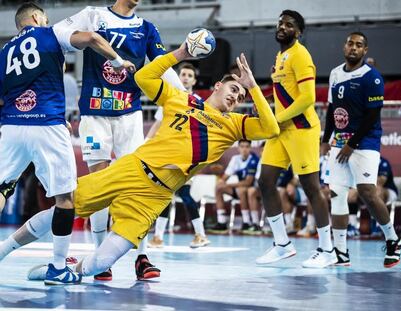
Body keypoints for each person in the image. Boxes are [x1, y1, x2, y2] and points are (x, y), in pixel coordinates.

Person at [62, 41, 278, 278]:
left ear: (195, 80)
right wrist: (180, 53)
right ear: (217, 86)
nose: (236, 96)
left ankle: (142, 254)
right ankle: (58, 259)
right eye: (234, 89)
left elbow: (271, 128)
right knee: (75, 203)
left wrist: (253, 86)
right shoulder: (180, 99)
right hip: (138, 162)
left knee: (180, 197)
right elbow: (155, 116)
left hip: (164, 184)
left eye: (240, 95)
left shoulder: (232, 123)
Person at [0, 2, 135, 284]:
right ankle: (58, 267)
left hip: (11, 125)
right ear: (37, 17)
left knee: (2, 188)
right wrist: (118, 61)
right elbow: (92, 38)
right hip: (48, 123)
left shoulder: (5, 52)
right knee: (64, 199)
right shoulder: (51, 33)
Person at [53, 0, 185, 281]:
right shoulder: (92, 15)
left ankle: (141, 256)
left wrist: (186, 96)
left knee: (138, 186)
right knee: (99, 184)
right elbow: (58, 36)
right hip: (94, 111)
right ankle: (101, 257)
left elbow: (162, 65)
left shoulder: (147, 28)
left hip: (129, 112)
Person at [256, 10, 336, 268]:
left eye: (289, 25)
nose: (282, 27)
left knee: (311, 187)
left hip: (301, 128)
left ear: (298, 32)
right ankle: (282, 244)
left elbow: (307, 98)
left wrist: (278, 118)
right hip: (281, 131)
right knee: (266, 181)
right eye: (280, 22)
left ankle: (327, 249)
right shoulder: (281, 56)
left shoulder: (301, 55)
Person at [321, 31, 401, 267]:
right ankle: (341, 253)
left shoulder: (372, 77)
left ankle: (393, 239)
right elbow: (330, 109)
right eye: (350, 43)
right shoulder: (336, 74)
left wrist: (352, 144)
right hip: (339, 142)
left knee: (367, 191)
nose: (353, 48)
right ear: (344, 46)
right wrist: (325, 139)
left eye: (359, 45)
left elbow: (372, 115)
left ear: (364, 51)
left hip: (365, 141)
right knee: (337, 194)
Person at [147, 62, 210, 248]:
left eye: (190, 75)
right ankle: (159, 238)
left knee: (182, 193)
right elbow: (157, 124)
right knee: (168, 192)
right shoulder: (171, 98)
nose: (186, 78)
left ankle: (200, 234)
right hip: (168, 152)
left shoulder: (198, 102)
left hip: (186, 154)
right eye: (183, 74)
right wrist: (146, 142)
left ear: (194, 80)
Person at [211, 139, 259, 233]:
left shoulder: (254, 160)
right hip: (240, 189)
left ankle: (247, 222)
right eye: (242, 146)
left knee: (242, 189)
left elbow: (248, 182)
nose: (244, 149)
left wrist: (228, 184)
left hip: (253, 189)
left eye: (247, 147)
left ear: (250, 148)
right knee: (218, 188)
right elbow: (225, 177)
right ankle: (222, 222)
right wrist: (221, 181)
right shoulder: (235, 159)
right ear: (238, 148)